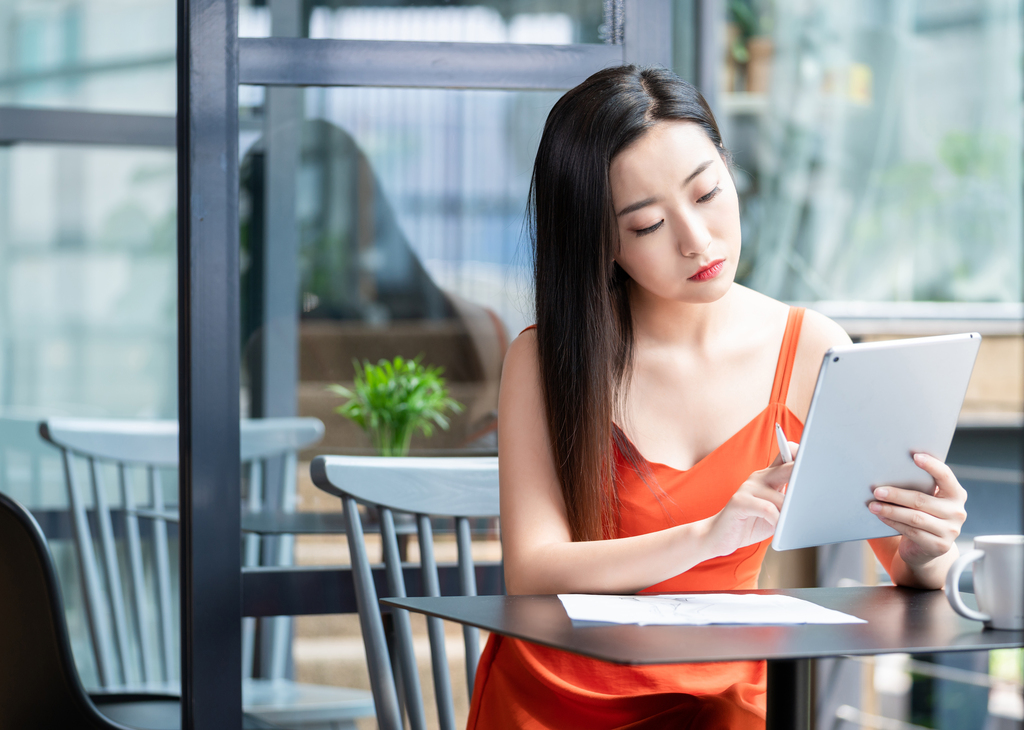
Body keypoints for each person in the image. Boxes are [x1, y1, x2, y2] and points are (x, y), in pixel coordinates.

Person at [465, 65, 969, 730]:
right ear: (602, 243)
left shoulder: (812, 348)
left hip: (724, 693)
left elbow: (900, 563)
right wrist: (708, 536)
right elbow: (532, 571)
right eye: (646, 225)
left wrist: (931, 548)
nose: (696, 241)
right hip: (562, 691)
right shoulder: (547, 356)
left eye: (707, 193)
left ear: (730, 171)